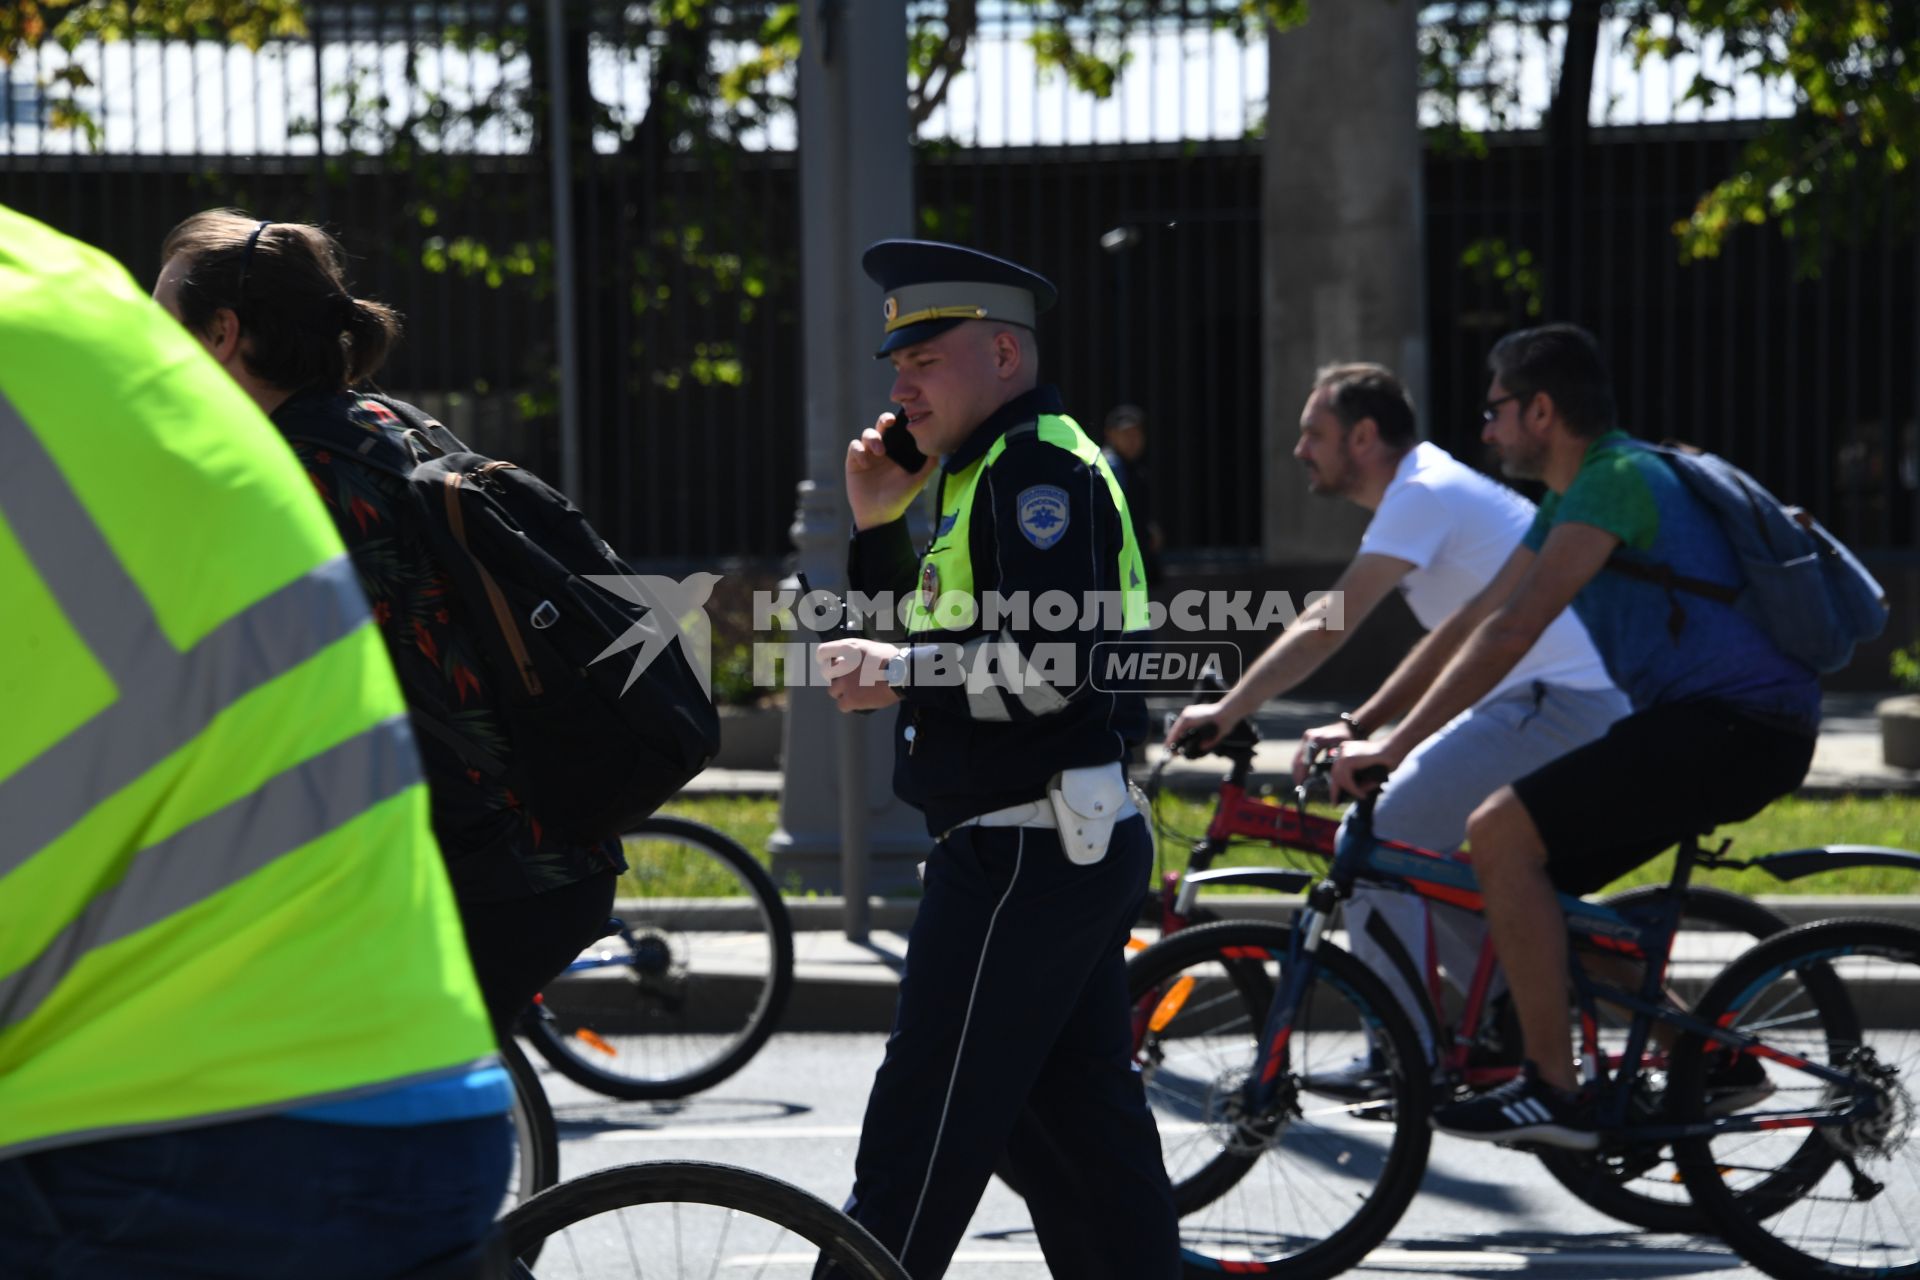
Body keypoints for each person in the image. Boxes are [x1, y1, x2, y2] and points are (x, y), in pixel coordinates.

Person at [0, 205, 509, 1275]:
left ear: (223, 334)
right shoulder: (388, 429)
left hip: (188, 1107)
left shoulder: (271, 464)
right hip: (429, 913)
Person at [1332, 324, 1816, 1149]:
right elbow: (1474, 619)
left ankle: (1553, 1090)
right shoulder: (1572, 495)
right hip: (1707, 723)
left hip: (1738, 725)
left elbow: (1513, 632)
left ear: (1543, 410)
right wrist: (1366, 725)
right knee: (1527, 896)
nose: (1484, 430)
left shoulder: (1615, 480)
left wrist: (1392, 747)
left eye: (1495, 410)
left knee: (1499, 834)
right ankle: (1713, 1059)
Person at [151, 209, 623, 1036]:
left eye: (163, 329)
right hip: (546, 858)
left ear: (222, 333)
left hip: (483, 875)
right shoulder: (382, 427)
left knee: (318, 1098)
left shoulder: (287, 484)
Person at [813, 239, 1178, 1279]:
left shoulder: (1036, 470)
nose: (900, 385)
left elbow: (1052, 664)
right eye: (898, 365)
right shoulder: (985, 472)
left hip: (1028, 849)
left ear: (1005, 356)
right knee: (1078, 1150)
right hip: (1037, 842)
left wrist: (900, 668)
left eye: (926, 359)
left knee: (919, 1139)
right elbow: (929, 641)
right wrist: (878, 528)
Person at [1165, 362, 1628, 1072]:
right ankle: (1504, 1009)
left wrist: (1230, 709)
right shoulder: (1424, 492)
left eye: (1312, 434)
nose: (1299, 451)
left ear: (1364, 436)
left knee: (1381, 840)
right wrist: (1362, 722)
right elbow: (1447, 641)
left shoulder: (1421, 490)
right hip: (1535, 702)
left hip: (1553, 702)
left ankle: (1407, 1052)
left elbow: (1333, 620)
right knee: (1412, 861)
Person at [1102, 403, 1164, 583]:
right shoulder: (1111, 466)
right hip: (1120, 565)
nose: (1133, 439)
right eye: (1126, 434)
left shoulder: (1134, 469)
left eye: (1137, 433)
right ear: (1110, 434)